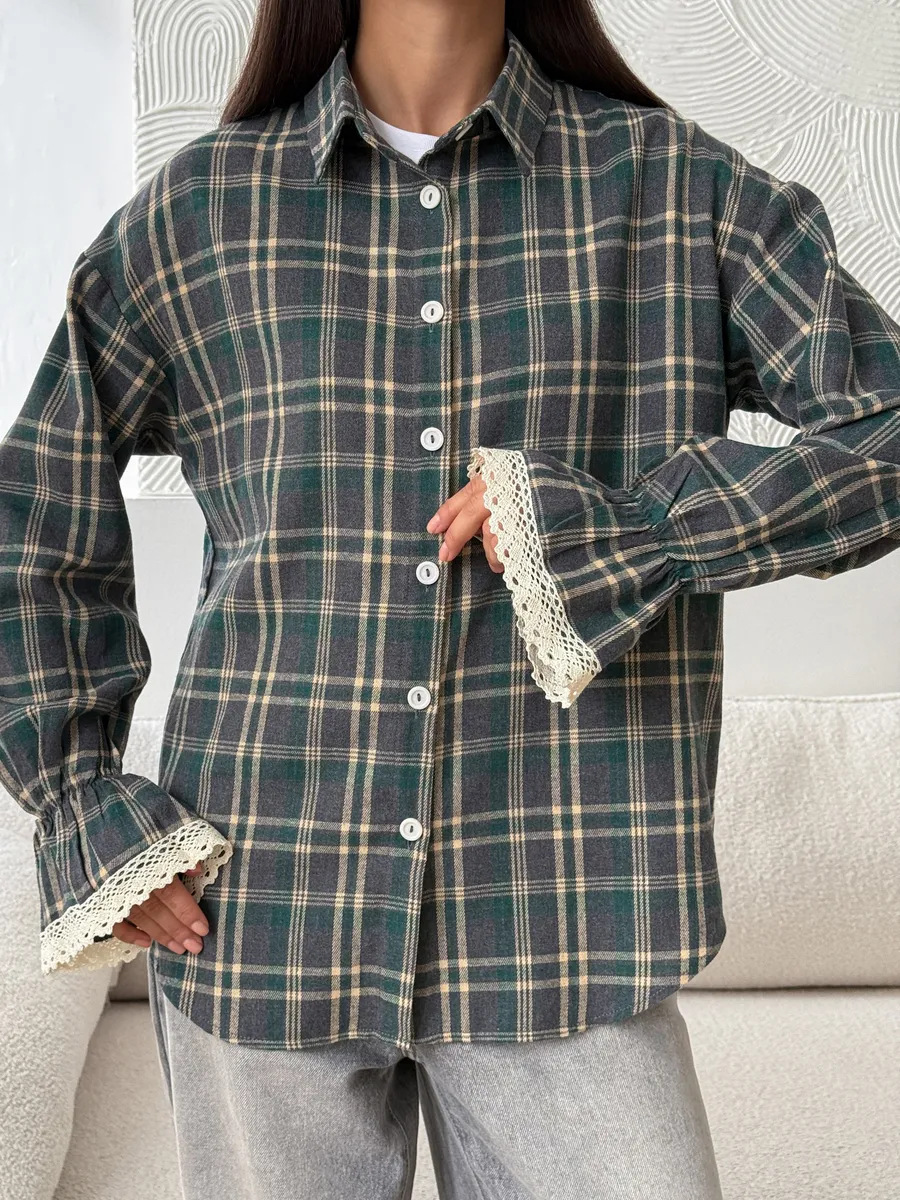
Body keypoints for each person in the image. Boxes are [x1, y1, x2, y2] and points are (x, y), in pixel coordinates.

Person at [2, 1, 900, 1197]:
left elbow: (886, 429)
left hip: (567, 910)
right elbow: (33, 515)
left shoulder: (678, 193)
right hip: (261, 908)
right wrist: (81, 799)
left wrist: (634, 533)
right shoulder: (200, 216)